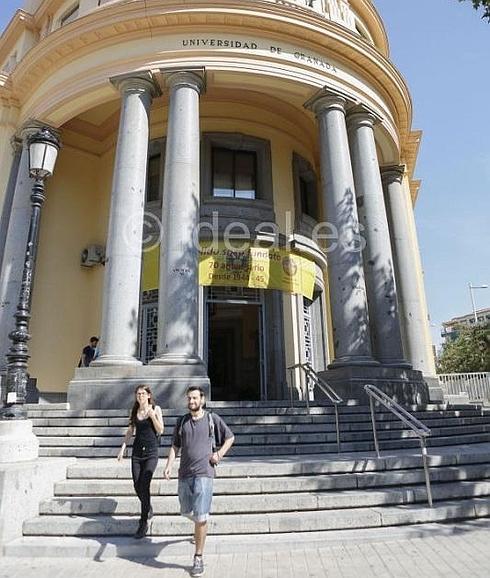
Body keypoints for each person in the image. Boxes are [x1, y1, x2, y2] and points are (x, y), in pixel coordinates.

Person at [164, 386, 234, 577]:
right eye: (189, 398)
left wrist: (219, 454)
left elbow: (230, 438)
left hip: (205, 473)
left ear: (202, 399)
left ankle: (198, 557)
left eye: (195, 398)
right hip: (185, 473)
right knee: (186, 510)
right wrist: (169, 464)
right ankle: (199, 530)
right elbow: (175, 446)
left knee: (201, 516)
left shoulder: (213, 419)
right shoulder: (182, 421)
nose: (191, 401)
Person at [117, 385, 164, 539]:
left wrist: (152, 416)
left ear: (149, 395)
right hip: (137, 453)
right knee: (137, 485)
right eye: (138, 394)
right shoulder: (135, 411)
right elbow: (130, 430)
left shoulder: (156, 409)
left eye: (143, 394)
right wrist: (123, 447)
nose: (140, 396)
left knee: (144, 484)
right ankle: (148, 506)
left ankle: (143, 523)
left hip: (151, 453)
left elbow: (160, 430)